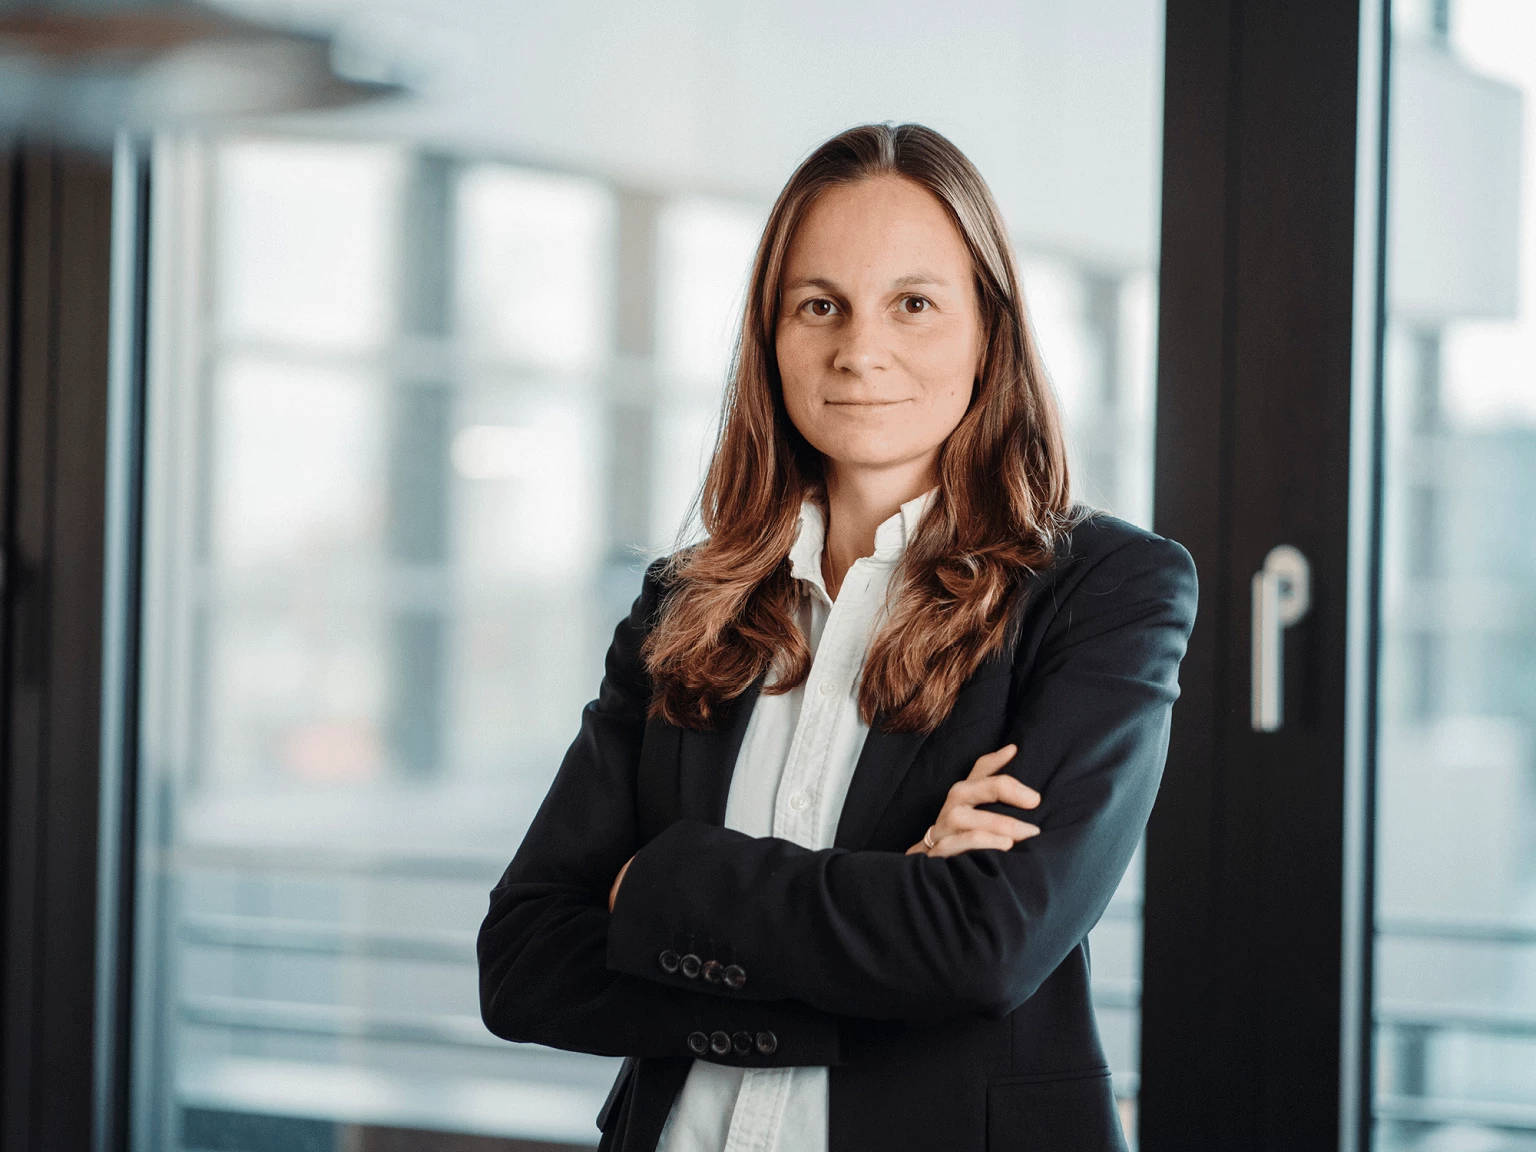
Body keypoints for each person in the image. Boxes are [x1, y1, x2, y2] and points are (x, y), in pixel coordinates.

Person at [477, 122, 1197, 1152]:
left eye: (914, 304)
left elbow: (984, 946)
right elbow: (524, 961)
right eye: (820, 305)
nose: (860, 350)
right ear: (772, 337)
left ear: (989, 330)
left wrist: (663, 885)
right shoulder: (685, 602)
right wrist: (892, 915)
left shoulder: (1105, 592)